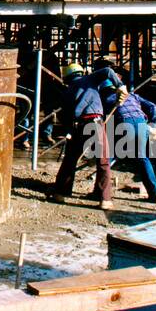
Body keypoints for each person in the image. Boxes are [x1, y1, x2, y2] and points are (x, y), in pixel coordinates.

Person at [51, 62, 121, 209]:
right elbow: (107, 70)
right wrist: (121, 86)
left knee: (70, 159)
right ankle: (105, 199)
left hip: (77, 126)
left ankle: (60, 193)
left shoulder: (67, 92)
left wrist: (69, 131)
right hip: (95, 123)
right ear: (80, 73)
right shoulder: (89, 80)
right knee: (103, 161)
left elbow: (65, 117)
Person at [102, 80, 156, 204]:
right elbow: (153, 107)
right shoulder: (132, 95)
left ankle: (101, 192)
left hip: (124, 124)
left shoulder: (106, 99)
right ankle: (155, 193)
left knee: (107, 158)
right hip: (141, 123)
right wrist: (153, 124)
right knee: (142, 158)